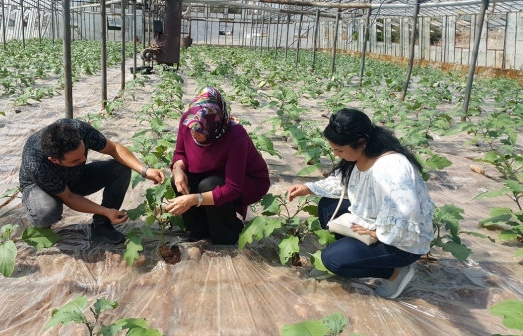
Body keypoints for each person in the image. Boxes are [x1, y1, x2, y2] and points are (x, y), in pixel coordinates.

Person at [287, 108, 435, 299]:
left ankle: (394, 273)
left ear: (362, 143)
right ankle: (355, 254)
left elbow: (407, 211)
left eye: (339, 150)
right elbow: (342, 183)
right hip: (375, 222)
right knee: (327, 206)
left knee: (331, 260)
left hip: (403, 243)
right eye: (333, 149)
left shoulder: (391, 167)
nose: (336, 154)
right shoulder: (359, 156)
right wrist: (309, 188)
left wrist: (377, 233)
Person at [19, 118, 164, 244]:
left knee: (120, 169)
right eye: (76, 159)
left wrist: (144, 170)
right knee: (47, 211)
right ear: (54, 160)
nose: (84, 159)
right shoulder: (37, 163)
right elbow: (68, 197)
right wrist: (106, 211)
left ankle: (101, 226)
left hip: (74, 176)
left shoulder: (78, 130)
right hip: (38, 187)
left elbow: (114, 149)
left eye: (83, 153)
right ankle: (41, 226)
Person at [165, 87, 270, 245]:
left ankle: (227, 236)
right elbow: (179, 154)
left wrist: (195, 199)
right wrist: (178, 169)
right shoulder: (189, 120)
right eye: (192, 128)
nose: (194, 133)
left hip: (245, 181)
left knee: (210, 186)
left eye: (200, 130)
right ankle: (198, 233)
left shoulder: (235, 136)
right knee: (179, 180)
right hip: (209, 173)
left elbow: (232, 188)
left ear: (215, 124)